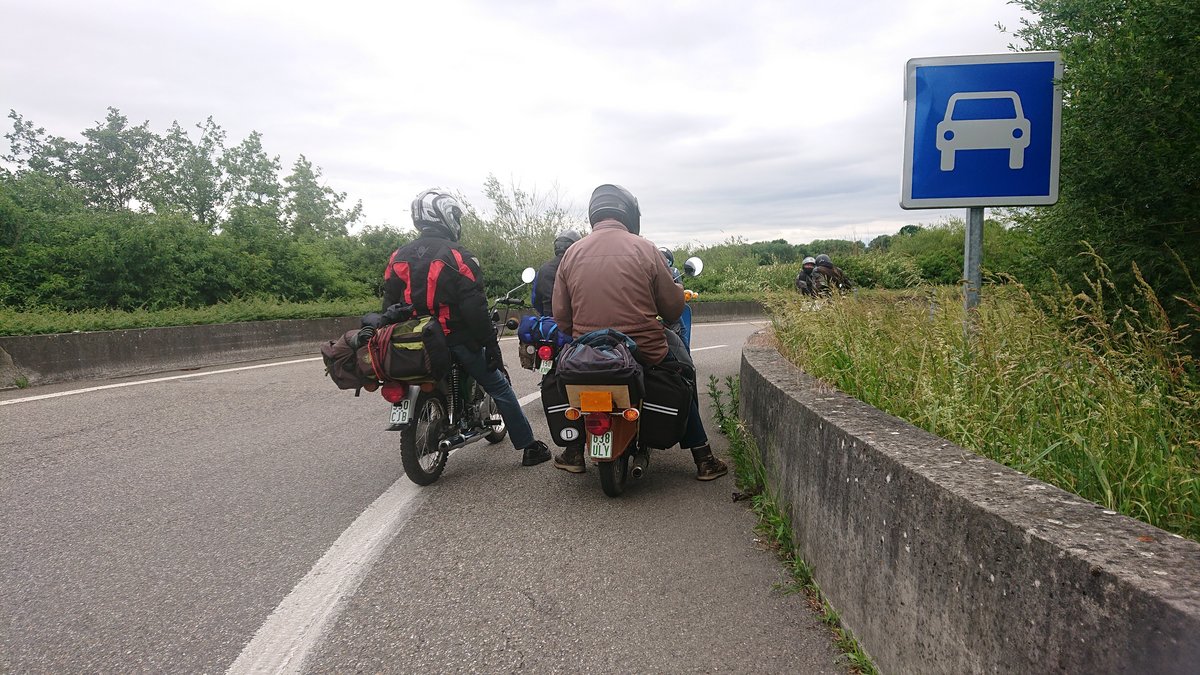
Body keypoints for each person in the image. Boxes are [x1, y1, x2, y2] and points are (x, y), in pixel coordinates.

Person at [551, 184, 728, 480]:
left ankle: (573, 452)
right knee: (684, 373)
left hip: (588, 350)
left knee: (564, 379)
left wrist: (582, 334)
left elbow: (561, 316)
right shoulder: (645, 249)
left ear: (594, 213)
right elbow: (672, 311)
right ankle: (704, 458)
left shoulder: (572, 253)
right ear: (629, 213)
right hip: (644, 349)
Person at [382, 188, 551, 467]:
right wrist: (490, 344)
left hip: (412, 341)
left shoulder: (398, 256)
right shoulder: (458, 256)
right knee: (499, 386)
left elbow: (389, 303)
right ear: (445, 217)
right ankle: (529, 447)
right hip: (454, 339)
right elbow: (474, 308)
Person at [531, 229, 582, 317]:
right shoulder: (579, 269)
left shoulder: (543, 269)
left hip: (548, 320)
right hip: (574, 320)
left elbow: (535, 301)